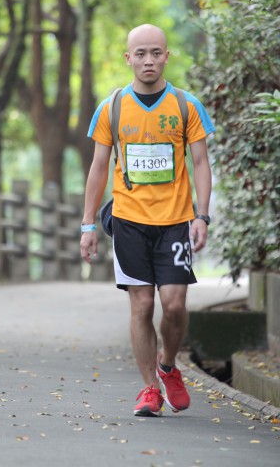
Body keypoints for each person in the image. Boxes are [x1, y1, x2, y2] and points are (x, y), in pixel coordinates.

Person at [80, 24, 215, 417]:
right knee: (141, 306)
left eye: (156, 52)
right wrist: (88, 225)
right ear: (128, 58)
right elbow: (99, 167)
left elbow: (201, 162)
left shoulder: (187, 105)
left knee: (173, 305)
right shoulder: (113, 107)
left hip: (175, 220)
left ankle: (168, 366)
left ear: (167, 56)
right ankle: (148, 389)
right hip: (129, 221)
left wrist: (201, 215)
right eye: (140, 53)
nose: (148, 60)